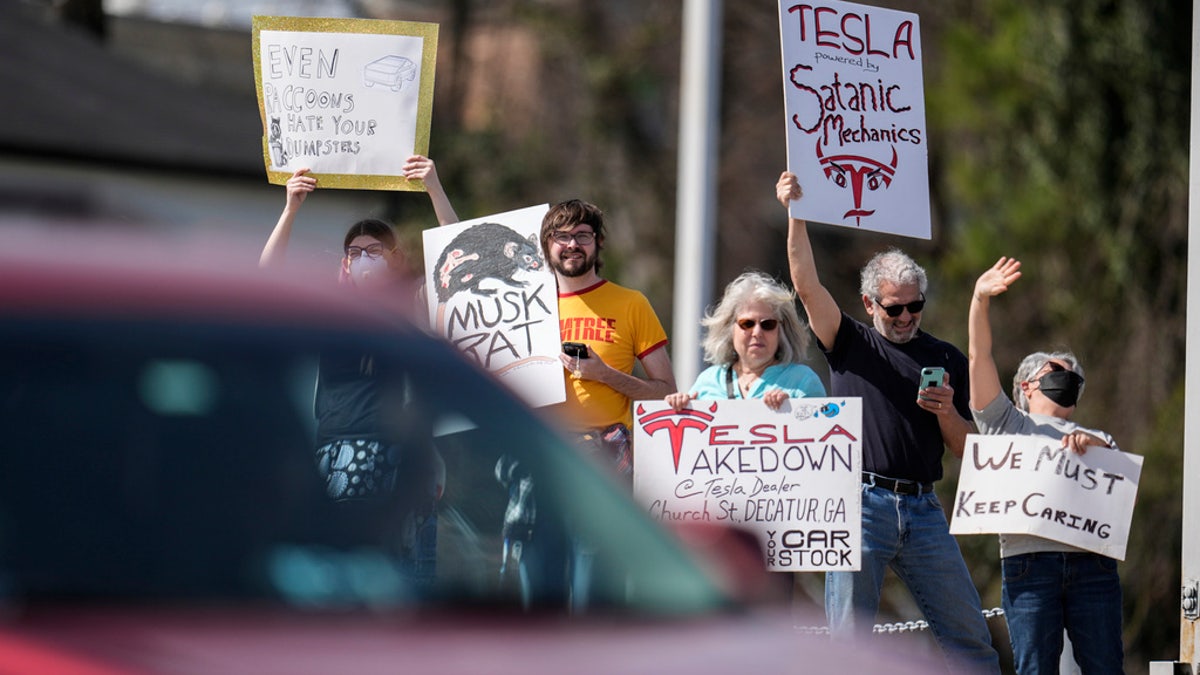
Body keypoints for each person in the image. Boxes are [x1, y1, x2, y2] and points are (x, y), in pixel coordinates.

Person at [778, 171, 1001, 674]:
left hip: (923, 509)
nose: (905, 317)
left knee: (970, 640)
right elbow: (805, 283)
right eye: (894, 307)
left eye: (915, 306)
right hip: (860, 503)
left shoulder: (943, 354)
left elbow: (968, 447)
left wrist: (945, 410)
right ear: (869, 304)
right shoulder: (850, 341)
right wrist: (795, 214)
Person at [260, 155, 458, 584]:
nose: (364, 258)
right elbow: (265, 281)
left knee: (406, 577)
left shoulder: (414, 303)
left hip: (402, 455)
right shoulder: (328, 310)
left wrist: (434, 189)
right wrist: (290, 208)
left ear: (394, 258)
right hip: (337, 453)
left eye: (375, 250)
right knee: (347, 573)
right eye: (355, 251)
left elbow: (460, 267)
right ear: (344, 263)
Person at [497, 198, 677, 609]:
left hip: (604, 465)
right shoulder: (520, 305)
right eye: (561, 236)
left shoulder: (632, 303)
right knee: (538, 601)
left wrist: (605, 376)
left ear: (597, 244)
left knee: (594, 600)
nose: (572, 245)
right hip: (536, 461)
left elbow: (667, 390)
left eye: (582, 236)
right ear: (546, 245)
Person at [968, 256, 1125, 674]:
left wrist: (1095, 448)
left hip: (1092, 566)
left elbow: (1118, 491)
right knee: (1036, 668)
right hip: (1029, 564)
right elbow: (979, 357)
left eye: (1075, 377)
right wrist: (979, 300)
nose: (1067, 378)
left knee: (1105, 666)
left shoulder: (1100, 438)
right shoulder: (1004, 423)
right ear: (1026, 385)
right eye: (1057, 371)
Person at [665, 270, 825, 412]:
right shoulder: (707, 381)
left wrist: (793, 411)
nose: (757, 332)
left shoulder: (803, 380)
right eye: (747, 324)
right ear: (729, 328)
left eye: (768, 324)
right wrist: (679, 409)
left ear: (782, 331)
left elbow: (821, 434)